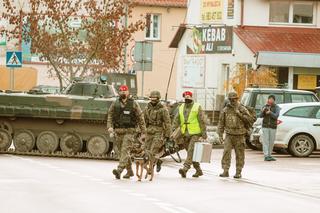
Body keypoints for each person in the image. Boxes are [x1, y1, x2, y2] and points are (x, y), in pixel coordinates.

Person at [107, 85, 146, 179]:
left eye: (125, 91)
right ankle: (129, 171)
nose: (123, 92)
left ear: (128, 92)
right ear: (119, 92)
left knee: (125, 150)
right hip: (118, 131)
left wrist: (143, 131)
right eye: (121, 91)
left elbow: (140, 117)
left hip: (130, 131)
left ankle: (119, 170)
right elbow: (110, 116)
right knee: (122, 153)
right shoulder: (115, 103)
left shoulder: (133, 103)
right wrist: (109, 127)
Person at [174, 91, 207, 178]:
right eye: (185, 97)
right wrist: (173, 130)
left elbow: (202, 120)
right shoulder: (181, 107)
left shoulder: (197, 106)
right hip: (185, 133)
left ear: (191, 97)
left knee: (191, 151)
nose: (187, 99)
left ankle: (185, 169)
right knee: (192, 152)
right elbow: (176, 119)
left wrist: (204, 134)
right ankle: (198, 170)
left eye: (188, 97)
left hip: (195, 133)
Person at [218, 92, 251, 179]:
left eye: (234, 99)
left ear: (237, 99)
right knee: (226, 153)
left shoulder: (242, 108)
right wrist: (220, 135)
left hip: (240, 135)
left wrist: (239, 114)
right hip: (229, 135)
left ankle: (238, 171)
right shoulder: (225, 110)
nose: (232, 101)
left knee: (240, 154)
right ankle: (225, 170)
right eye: (231, 99)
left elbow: (249, 120)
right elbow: (221, 123)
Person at [144, 91, 172, 172]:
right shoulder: (147, 108)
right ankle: (158, 160)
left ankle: (151, 168)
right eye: (151, 98)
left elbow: (167, 122)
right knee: (146, 150)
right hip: (149, 131)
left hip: (159, 132)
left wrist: (168, 135)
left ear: (158, 99)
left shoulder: (163, 109)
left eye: (154, 99)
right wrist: (140, 131)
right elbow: (143, 121)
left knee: (153, 150)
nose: (152, 100)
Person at [260, 95, 280, 161]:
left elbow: (276, 116)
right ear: (268, 100)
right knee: (265, 141)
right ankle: (266, 156)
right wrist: (263, 111)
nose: (270, 100)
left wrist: (270, 112)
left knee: (271, 142)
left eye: (272, 99)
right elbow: (260, 116)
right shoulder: (265, 106)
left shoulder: (277, 107)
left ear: (274, 100)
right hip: (265, 126)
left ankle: (269, 155)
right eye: (269, 99)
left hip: (273, 127)